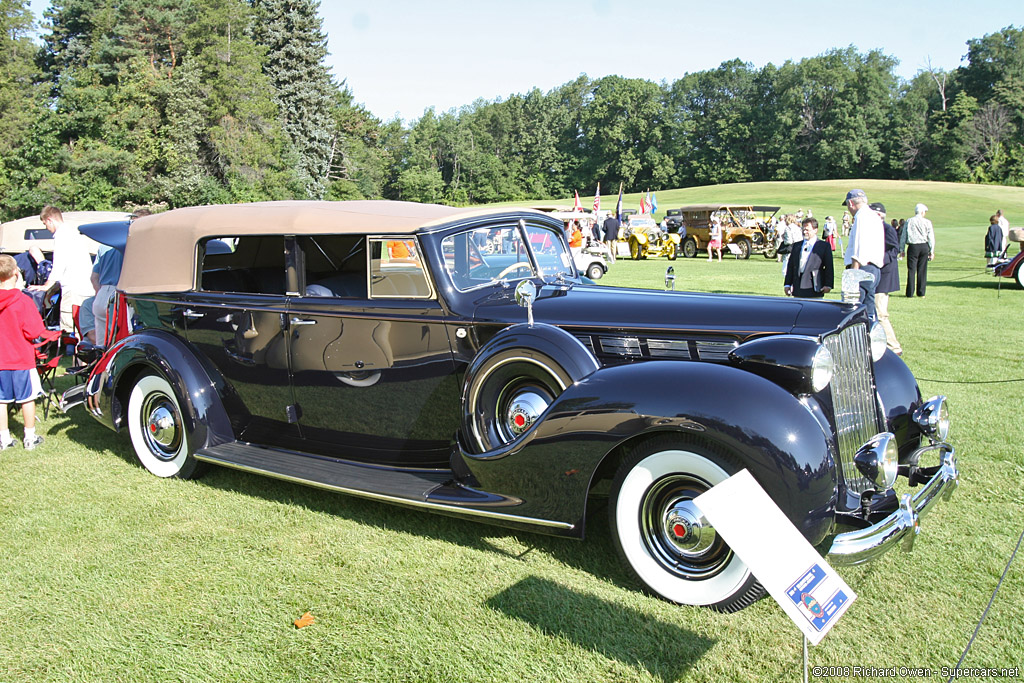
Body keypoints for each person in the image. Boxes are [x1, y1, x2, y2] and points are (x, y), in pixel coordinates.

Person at [0, 255, 46, 451]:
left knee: (1, 400)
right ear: (16, 273)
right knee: (27, 398)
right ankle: (30, 436)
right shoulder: (23, 300)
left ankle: (4, 438)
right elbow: (34, 331)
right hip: (21, 358)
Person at [28, 206, 95, 331]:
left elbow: (59, 263)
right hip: (85, 288)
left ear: (50, 220)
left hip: (73, 289)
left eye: (45, 224)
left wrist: (46, 286)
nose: (47, 228)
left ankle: (71, 350)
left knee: (69, 327)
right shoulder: (73, 233)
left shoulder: (61, 236)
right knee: (85, 326)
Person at [842, 189, 884, 321]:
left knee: (854, 311)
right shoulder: (874, 216)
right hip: (874, 268)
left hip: (861, 269)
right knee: (869, 310)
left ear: (851, 203)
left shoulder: (861, 217)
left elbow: (859, 246)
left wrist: (853, 273)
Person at [871, 203, 902, 356]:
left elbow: (894, 250)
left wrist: (878, 260)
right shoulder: (871, 228)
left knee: (880, 312)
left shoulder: (887, 229)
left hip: (885, 275)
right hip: (875, 273)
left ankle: (894, 346)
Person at [784, 218, 833, 298]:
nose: (804, 232)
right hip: (797, 289)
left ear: (815, 230)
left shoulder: (824, 246)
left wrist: (828, 285)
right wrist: (787, 284)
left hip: (814, 288)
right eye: (803, 229)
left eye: (807, 230)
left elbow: (829, 267)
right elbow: (791, 266)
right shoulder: (796, 246)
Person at [899, 203, 934, 297]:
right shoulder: (927, 222)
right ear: (922, 212)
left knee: (911, 270)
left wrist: (902, 249)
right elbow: (930, 237)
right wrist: (931, 251)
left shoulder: (909, 221)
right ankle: (921, 292)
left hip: (913, 246)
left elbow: (903, 236)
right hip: (924, 246)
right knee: (922, 270)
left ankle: (910, 292)